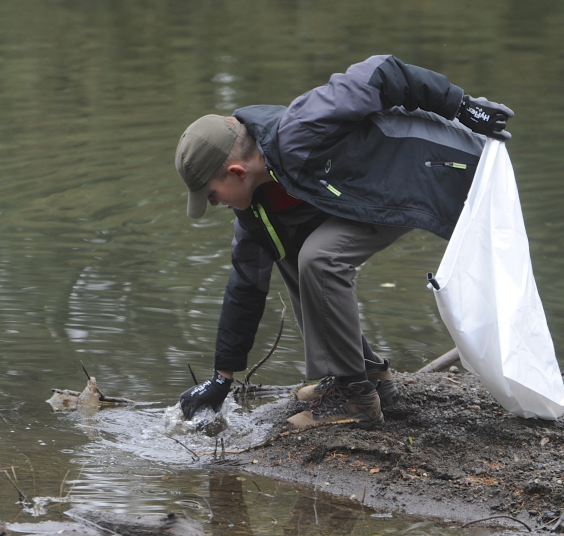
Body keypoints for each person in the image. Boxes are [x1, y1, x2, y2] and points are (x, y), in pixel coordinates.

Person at [174, 55, 513, 428]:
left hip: (436, 168)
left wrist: (462, 108)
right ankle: (366, 374)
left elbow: (384, 72)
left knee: (319, 258)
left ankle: (355, 397)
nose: (214, 205)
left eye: (211, 195)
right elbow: (245, 287)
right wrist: (221, 379)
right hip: (377, 195)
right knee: (291, 254)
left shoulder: (299, 128)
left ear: (236, 172)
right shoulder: (255, 210)